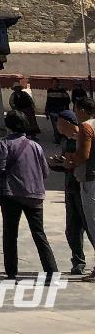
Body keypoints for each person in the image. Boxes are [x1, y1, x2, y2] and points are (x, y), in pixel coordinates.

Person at [0, 110, 58, 278]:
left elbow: (0, 168)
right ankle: (52, 271)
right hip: (35, 194)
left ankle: (11, 272)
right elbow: (45, 172)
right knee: (39, 233)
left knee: (10, 233)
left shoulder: (4, 144)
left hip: (11, 194)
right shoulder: (36, 146)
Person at [50, 109, 87, 276]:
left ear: (69, 123)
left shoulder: (84, 138)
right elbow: (66, 164)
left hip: (84, 188)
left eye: (59, 123)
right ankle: (78, 262)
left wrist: (69, 164)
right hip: (70, 188)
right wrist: (56, 163)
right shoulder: (65, 141)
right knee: (72, 229)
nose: (57, 126)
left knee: (90, 227)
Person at [69, 96, 95, 280]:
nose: (75, 113)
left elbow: (84, 155)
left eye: (76, 109)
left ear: (84, 110)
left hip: (90, 179)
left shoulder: (87, 127)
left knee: (93, 224)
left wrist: (69, 162)